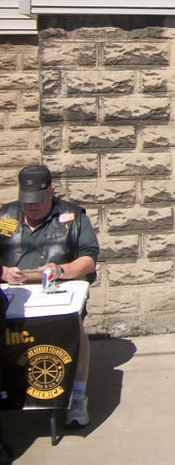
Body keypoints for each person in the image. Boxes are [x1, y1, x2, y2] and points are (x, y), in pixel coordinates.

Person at [0, 164, 100, 427]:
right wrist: (4, 271)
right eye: (26, 201)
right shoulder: (5, 216)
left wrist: (61, 269)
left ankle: (77, 394)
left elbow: (89, 259)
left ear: (52, 192)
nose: (31, 207)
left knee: (73, 327)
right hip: (13, 291)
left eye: (38, 201)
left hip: (58, 288)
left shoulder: (73, 216)